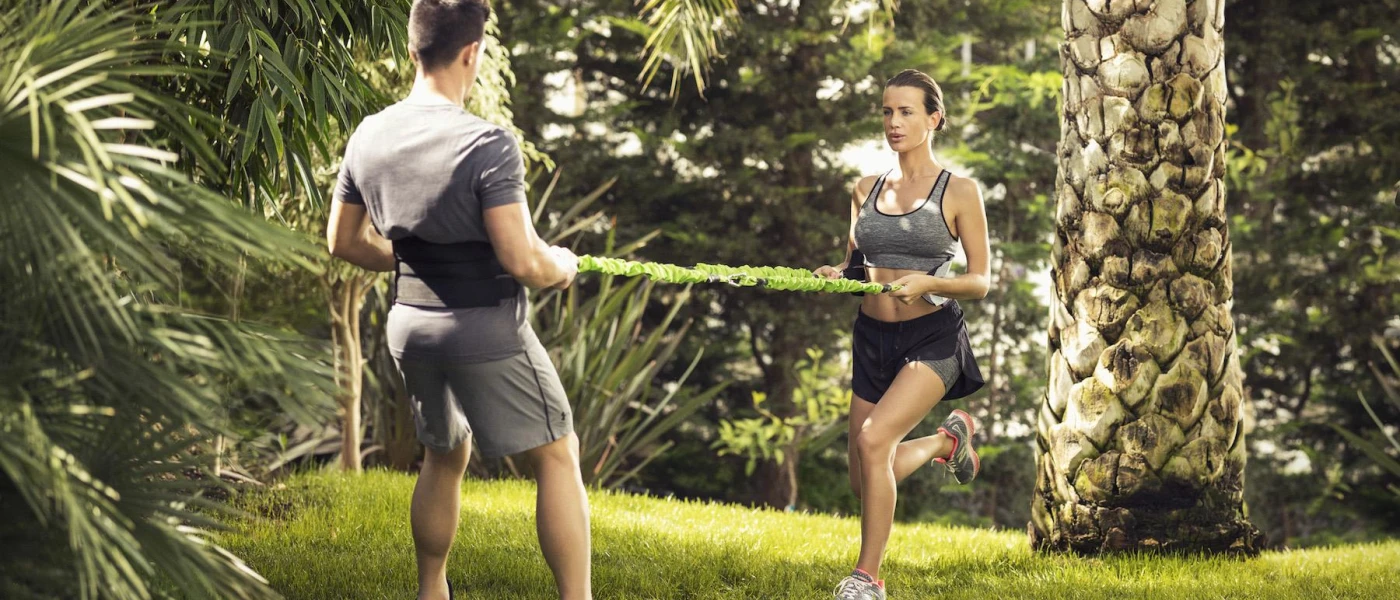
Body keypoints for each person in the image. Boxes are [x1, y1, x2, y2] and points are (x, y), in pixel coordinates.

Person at [325, 1, 591, 598]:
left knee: (443, 452)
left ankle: (431, 590)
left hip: (409, 326)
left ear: (414, 49)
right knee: (556, 452)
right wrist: (563, 266)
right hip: (484, 330)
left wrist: (419, 260)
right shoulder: (487, 142)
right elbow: (523, 259)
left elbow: (342, 241)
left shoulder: (370, 133)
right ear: (472, 53)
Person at [813, 68, 990, 600]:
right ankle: (946, 441)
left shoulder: (959, 191)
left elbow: (979, 281)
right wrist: (837, 276)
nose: (894, 122)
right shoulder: (864, 188)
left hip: (931, 339)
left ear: (934, 119)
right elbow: (856, 264)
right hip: (871, 337)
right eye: (888, 112)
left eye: (907, 111)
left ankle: (866, 579)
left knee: (874, 443)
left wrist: (931, 281)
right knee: (862, 476)